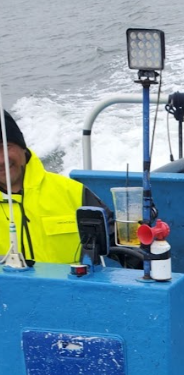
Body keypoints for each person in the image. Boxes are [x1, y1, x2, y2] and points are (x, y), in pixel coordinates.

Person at [0, 110, 112, 265]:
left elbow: (120, 245)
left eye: (5, 147)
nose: (1, 160)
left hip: (74, 288)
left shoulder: (73, 193)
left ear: (22, 147)